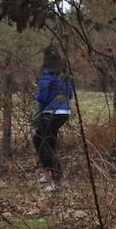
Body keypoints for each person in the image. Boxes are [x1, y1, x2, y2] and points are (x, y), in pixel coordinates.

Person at [33, 45, 75, 190]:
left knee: (40, 141)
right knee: (49, 141)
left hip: (51, 112)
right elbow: (70, 94)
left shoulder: (46, 73)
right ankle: (49, 175)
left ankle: (53, 178)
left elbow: (43, 97)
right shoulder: (64, 73)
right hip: (64, 113)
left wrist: (37, 96)